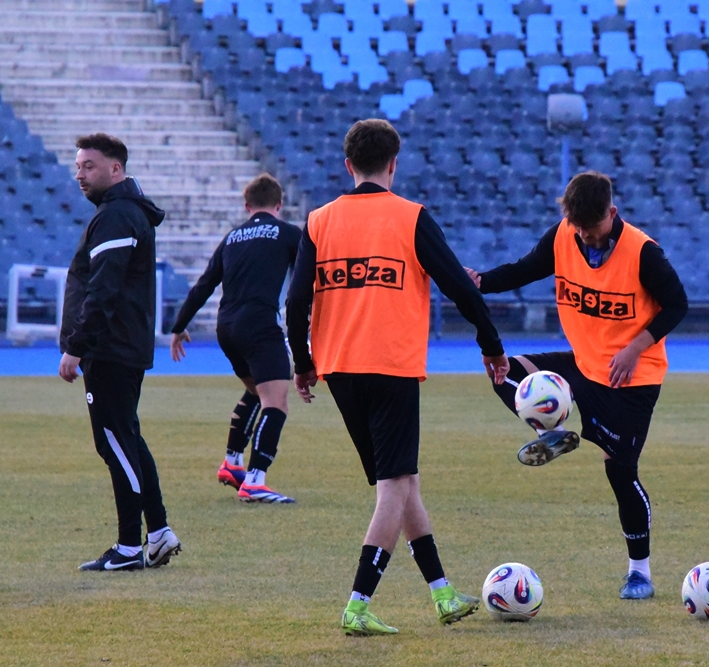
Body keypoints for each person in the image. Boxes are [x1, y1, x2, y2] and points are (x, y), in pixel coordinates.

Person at [285, 119, 509, 636]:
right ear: (393, 164)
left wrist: (303, 362)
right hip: (390, 365)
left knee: (404, 481)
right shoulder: (411, 217)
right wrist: (491, 345)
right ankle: (358, 605)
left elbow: (296, 301)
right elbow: (461, 288)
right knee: (393, 487)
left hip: (340, 368)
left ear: (349, 165)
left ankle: (442, 593)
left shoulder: (319, 220)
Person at [466, 171, 688, 601]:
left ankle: (639, 573)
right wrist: (482, 282)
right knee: (504, 371)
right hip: (584, 364)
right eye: (578, 226)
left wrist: (634, 348)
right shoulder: (564, 235)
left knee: (619, 471)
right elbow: (524, 270)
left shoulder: (643, 252)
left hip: (631, 378)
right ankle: (550, 432)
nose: (584, 235)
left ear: (613, 212)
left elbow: (677, 304)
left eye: (592, 226)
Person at [59, 133, 181, 571]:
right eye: (78, 166)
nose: (80, 174)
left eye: (88, 166)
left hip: (110, 348)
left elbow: (103, 288)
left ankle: (129, 547)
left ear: (115, 169)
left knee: (114, 443)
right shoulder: (123, 212)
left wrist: (77, 346)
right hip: (121, 345)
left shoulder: (116, 216)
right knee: (127, 439)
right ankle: (159, 532)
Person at [169, 173, 301, 504]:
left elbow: (204, 283)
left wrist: (179, 326)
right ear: (279, 205)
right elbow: (305, 280)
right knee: (276, 402)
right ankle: (255, 482)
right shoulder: (288, 233)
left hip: (226, 327)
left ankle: (232, 463)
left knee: (256, 391)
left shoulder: (232, 238)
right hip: (260, 326)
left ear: (247, 206)